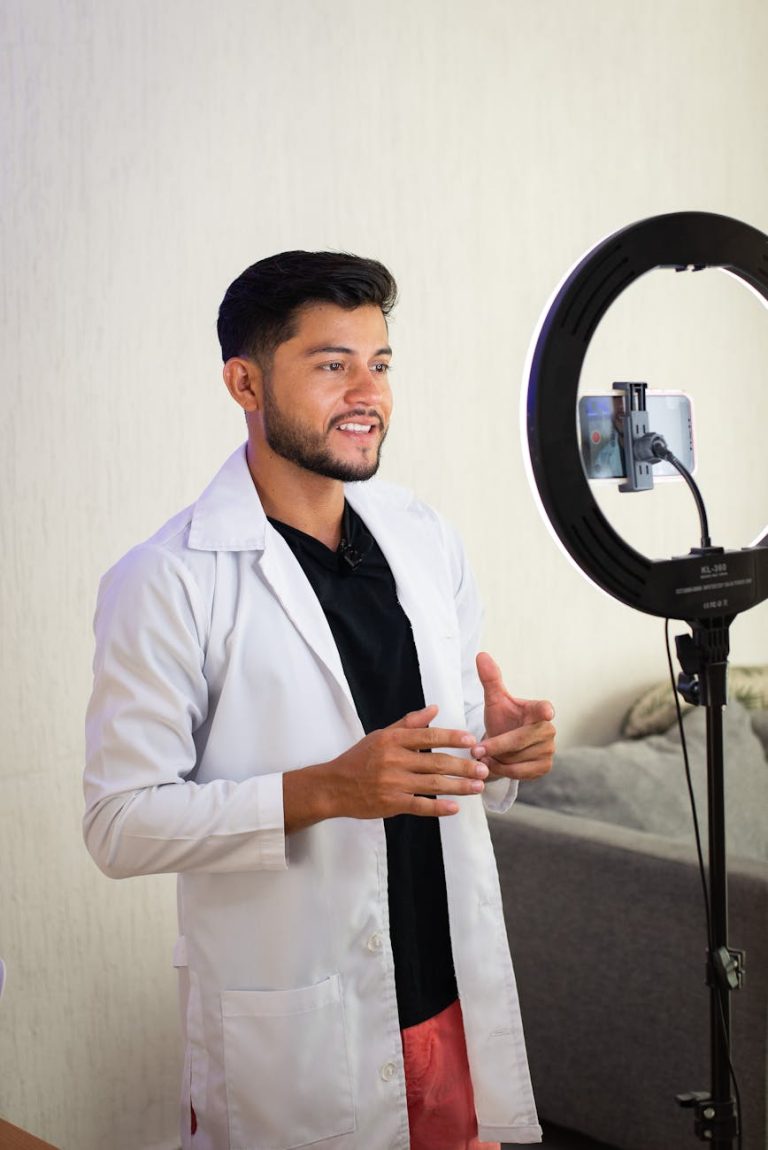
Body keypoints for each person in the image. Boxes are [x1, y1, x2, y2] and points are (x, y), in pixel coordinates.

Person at [84, 251, 556, 1150]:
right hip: (297, 1029)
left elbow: (444, 764)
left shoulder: (424, 540)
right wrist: (330, 789)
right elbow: (117, 822)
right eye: (332, 364)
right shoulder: (167, 579)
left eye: (380, 364)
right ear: (245, 381)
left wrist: (498, 753)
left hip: (445, 999)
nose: (366, 393)